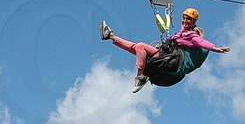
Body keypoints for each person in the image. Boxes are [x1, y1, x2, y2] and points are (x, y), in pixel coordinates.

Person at [99, 7, 230, 92]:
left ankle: (140, 77)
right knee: (138, 48)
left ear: (193, 22)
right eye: (184, 18)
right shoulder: (179, 34)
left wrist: (215, 48)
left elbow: (202, 42)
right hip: (165, 56)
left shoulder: (192, 36)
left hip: (170, 62)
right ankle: (110, 36)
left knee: (140, 46)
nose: (185, 20)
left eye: (188, 19)